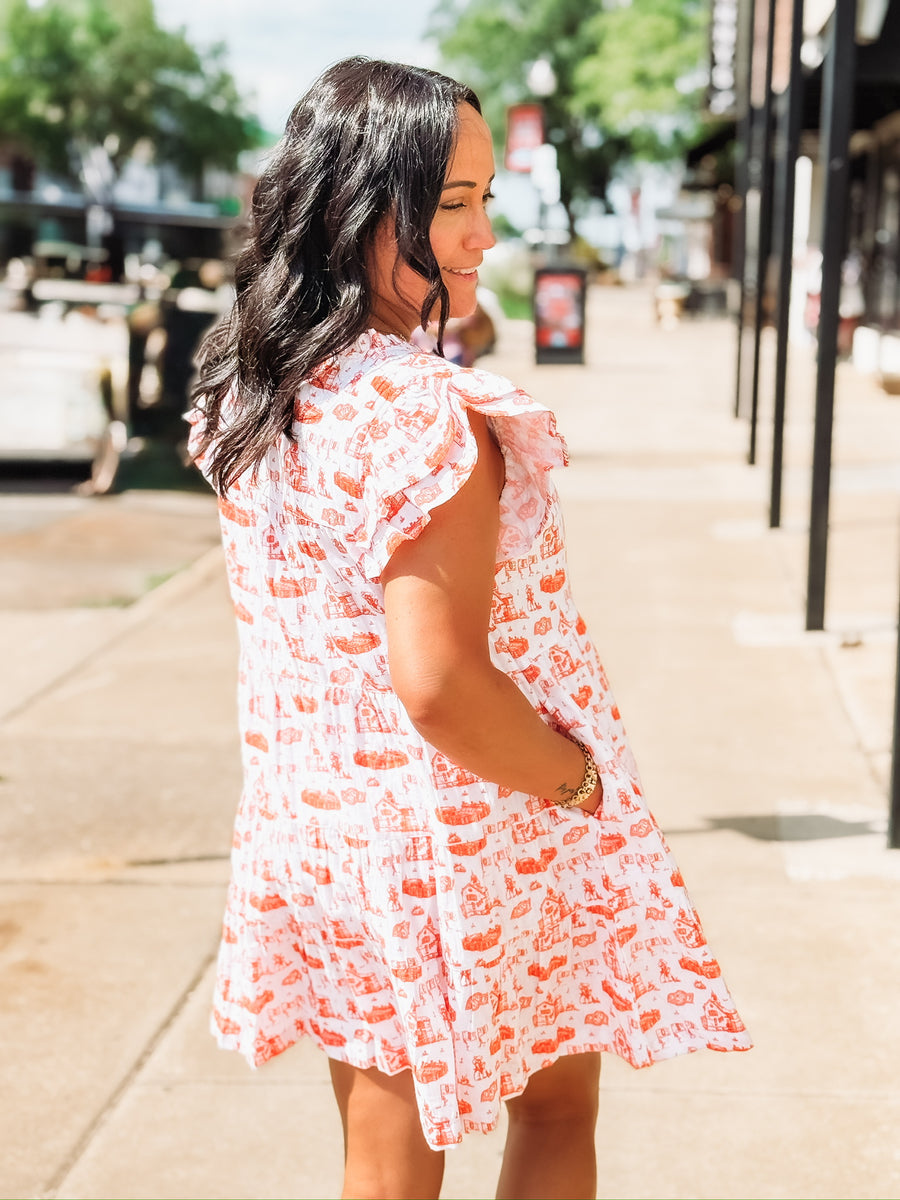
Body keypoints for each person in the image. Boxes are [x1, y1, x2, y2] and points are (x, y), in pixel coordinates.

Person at [188, 57, 751, 1200]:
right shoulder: (428, 414)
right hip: (471, 828)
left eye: (485, 199)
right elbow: (439, 682)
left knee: (383, 1157)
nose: (482, 236)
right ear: (353, 205)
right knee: (552, 1109)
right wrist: (580, 785)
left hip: (327, 824)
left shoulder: (257, 386)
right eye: (451, 204)